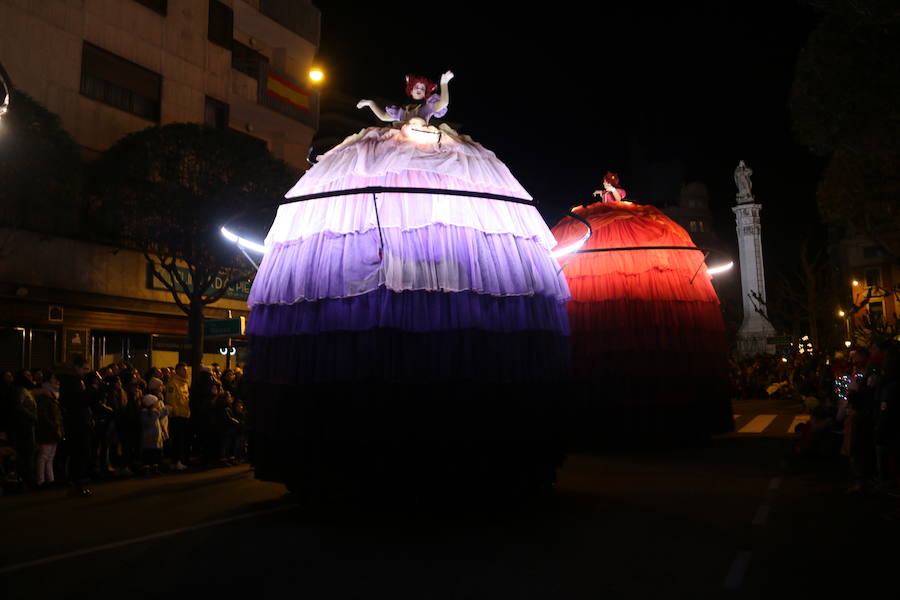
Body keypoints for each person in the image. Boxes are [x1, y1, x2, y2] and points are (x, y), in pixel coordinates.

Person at [58, 355, 96, 497]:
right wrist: (92, 390)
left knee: (81, 453)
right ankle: (76, 484)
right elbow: (79, 401)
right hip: (76, 422)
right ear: (77, 368)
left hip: (79, 421)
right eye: (84, 368)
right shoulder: (72, 382)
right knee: (79, 453)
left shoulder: (76, 381)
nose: (86, 372)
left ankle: (77, 483)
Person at [357, 71, 453, 124]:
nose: (419, 89)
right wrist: (370, 103)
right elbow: (383, 116)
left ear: (425, 94)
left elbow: (444, 102)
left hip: (421, 143)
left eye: (422, 88)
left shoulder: (427, 107)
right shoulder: (402, 110)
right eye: (416, 87)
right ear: (411, 90)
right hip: (401, 142)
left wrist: (444, 84)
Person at [33, 374, 64, 487]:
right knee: (44, 455)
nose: (56, 381)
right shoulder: (45, 395)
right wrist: (54, 426)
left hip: (53, 429)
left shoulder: (53, 395)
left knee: (50, 456)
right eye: (53, 379)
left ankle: (50, 479)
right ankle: (41, 480)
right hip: (47, 430)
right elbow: (43, 415)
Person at [164, 363, 190, 471]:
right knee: (177, 440)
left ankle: (178, 461)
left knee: (181, 440)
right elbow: (171, 399)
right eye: (183, 370)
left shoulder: (184, 383)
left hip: (184, 415)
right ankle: (176, 461)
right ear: (178, 370)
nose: (185, 372)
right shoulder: (173, 383)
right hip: (177, 416)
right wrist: (174, 412)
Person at [139, 394, 167, 475]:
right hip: (153, 437)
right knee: (153, 453)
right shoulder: (152, 413)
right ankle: (151, 468)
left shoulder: (146, 413)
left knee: (150, 453)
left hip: (149, 437)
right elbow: (163, 413)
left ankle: (150, 467)